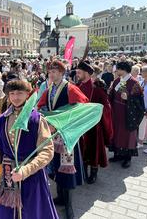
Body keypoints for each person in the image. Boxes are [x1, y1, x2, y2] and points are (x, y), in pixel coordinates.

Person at [0, 79, 59, 219]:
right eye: (12, 93)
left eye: (20, 93)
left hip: (32, 178)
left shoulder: (37, 120)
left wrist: (26, 170)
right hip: (7, 177)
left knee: (32, 213)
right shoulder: (2, 119)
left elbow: (47, 151)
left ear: (27, 94)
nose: (15, 97)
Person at [37, 60, 88, 219]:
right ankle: (60, 197)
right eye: (49, 72)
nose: (51, 74)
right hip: (53, 134)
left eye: (54, 71)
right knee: (57, 166)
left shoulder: (70, 88)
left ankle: (69, 206)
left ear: (62, 72)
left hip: (66, 136)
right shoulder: (49, 88)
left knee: (67, 168)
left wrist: (65, 121)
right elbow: (40, 105)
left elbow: (82, 106)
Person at [77, 61, 113, 184]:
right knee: (83, 149)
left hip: (93, 126)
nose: (77, 74)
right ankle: (83, 171)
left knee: (93, 150)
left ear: (87, 73)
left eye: (79, 72)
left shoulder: (97, 89)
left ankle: (93, 172)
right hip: (81, 126)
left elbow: (106, 107)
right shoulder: (79, 87)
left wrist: (95, 112)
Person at [109, 61, 144, 168]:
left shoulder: (134, 83)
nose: (116, 71)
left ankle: (127, 158)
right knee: (117, 134)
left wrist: (128, 98)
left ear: (123, 70)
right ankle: (118, 155)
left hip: (128, 114)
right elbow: (111, 95)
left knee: (127, 135)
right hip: (116, 113)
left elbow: (140, 101)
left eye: (118, 69)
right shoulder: (117, 81)